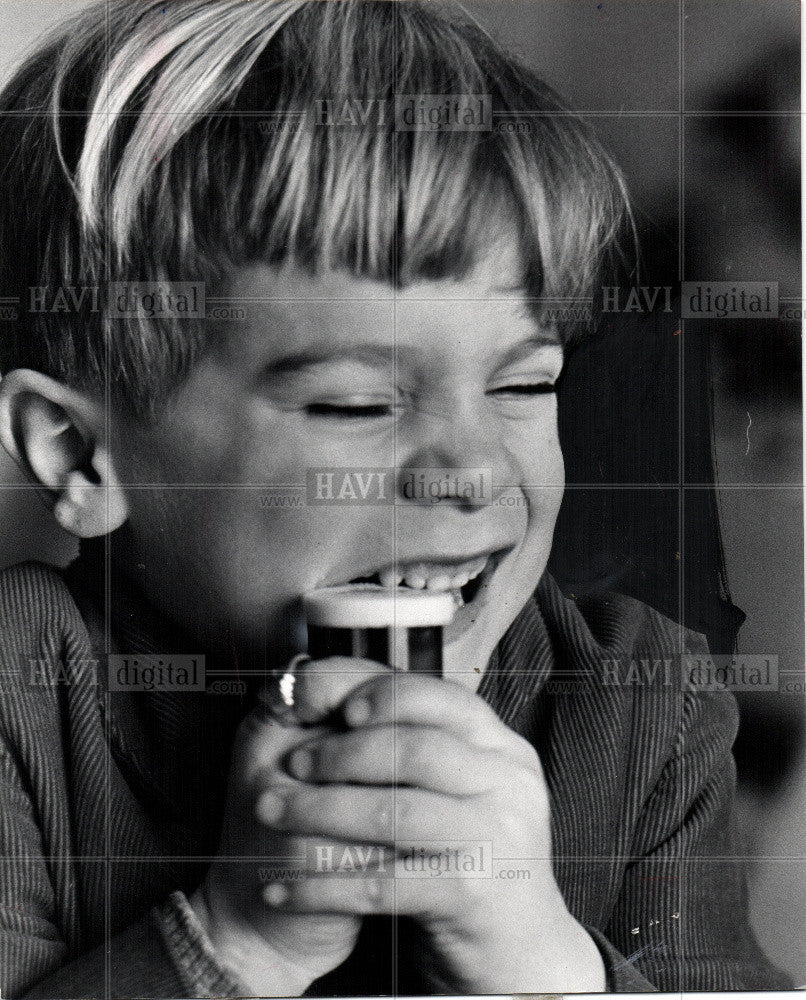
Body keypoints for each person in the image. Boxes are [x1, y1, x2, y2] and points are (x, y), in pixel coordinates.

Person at [0, 1, 792, 996]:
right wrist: (239, 941)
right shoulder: (20, 699)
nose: (471, 469)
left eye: (523, 385)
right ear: (80, 455)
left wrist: (541, 962)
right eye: (357, 401)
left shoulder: (643, 709)